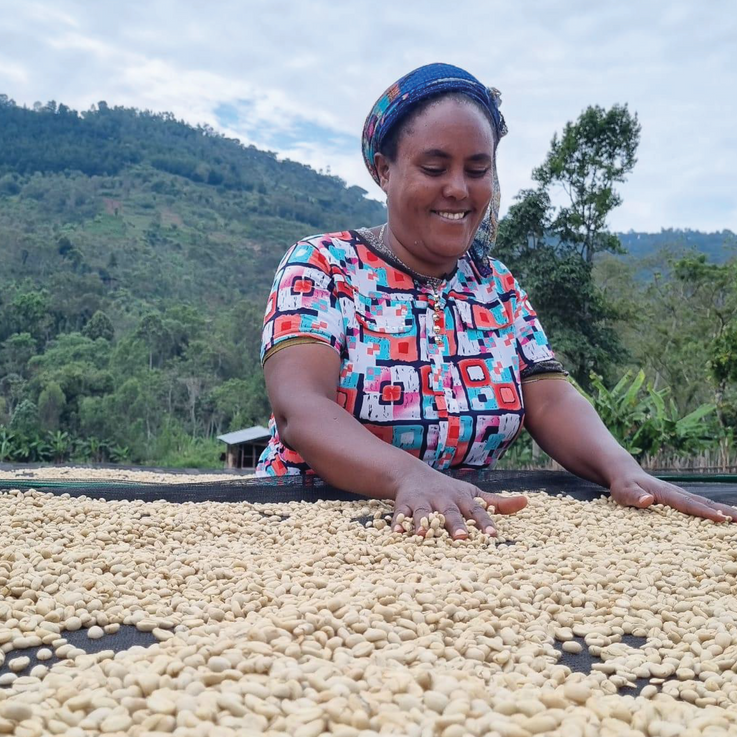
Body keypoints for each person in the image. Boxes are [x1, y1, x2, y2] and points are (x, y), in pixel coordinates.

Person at [258, 63, 736, 538]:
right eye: (433, 167)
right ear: (385, 170)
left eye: (477, 169)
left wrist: (620, 466)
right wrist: (407, 475)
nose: (459, 189)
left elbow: (549, 403)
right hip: (313, 523)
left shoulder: (496, 287)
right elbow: (301, 408)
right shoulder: (322, 265)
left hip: (466, 531)